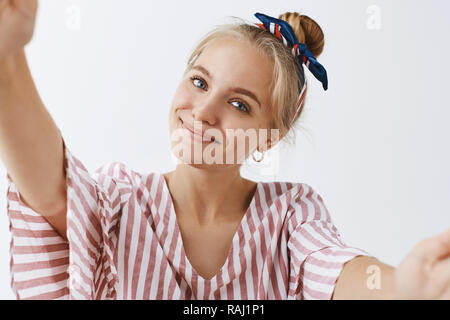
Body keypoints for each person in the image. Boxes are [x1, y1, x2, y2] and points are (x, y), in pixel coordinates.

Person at [0, 0, 449, 300]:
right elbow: (53, 190)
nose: (204, 111)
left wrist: (404, 286)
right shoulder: (121, 199)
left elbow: (337, 272)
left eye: (239, 104)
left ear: (270, 136)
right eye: (199, 82)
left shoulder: (290, 215)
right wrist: (8, 57)